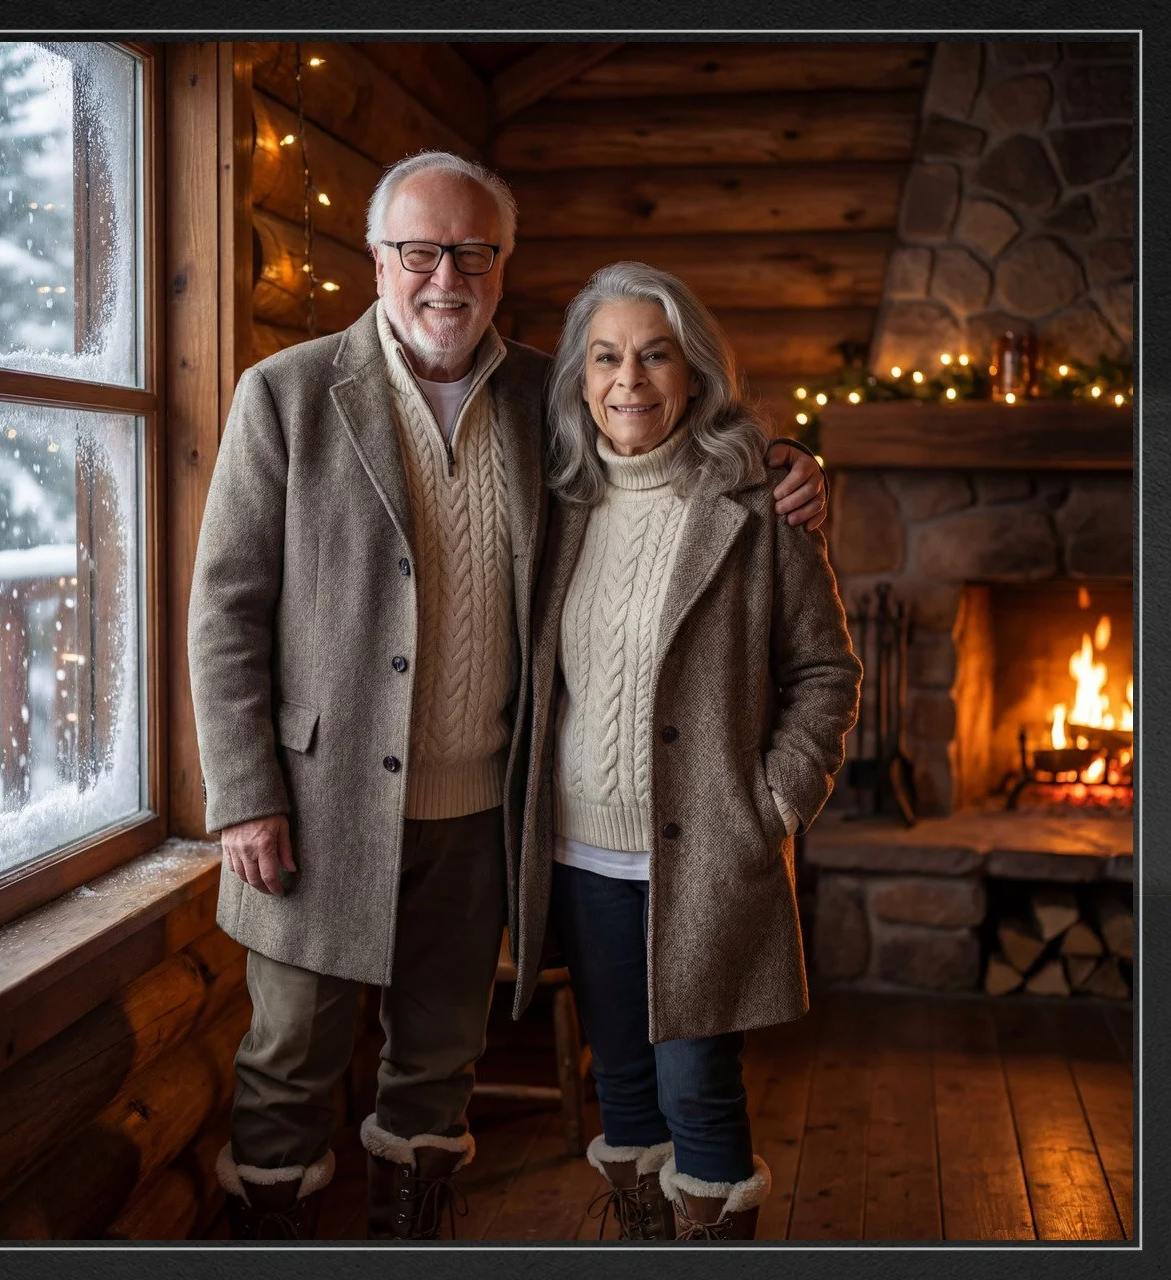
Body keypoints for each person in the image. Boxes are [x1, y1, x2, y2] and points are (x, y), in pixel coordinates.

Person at [187, 153, 828, 1241]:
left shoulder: (548, 392)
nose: (447, 276)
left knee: (438, 1066)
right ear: (379, 259)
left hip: (484, 810)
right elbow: (224, 611)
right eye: (421, 250)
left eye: (473, 252)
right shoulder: (286, 395)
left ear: (503, 263)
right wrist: (244, 788)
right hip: (313, 804)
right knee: (289, 1061)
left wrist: (789, 461)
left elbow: (665, 447)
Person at [516, 261, 861, 1241]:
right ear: (580, 379)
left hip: (707, 856)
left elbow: (827, 673)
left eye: (655, 354)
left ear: (694, 371)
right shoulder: (556, 504)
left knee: (698, 1091)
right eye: (607, 356)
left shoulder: (758, 507)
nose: (631, 379)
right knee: (623, 1098)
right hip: (581, 858)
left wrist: (770, 805)